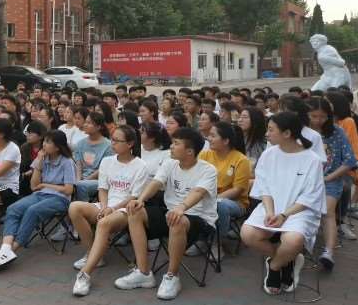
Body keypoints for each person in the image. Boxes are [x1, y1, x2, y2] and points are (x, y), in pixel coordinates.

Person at [116, 127, 217, 301]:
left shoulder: (208, 170)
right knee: (134, 212)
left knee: (177, 219)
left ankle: (172, 276)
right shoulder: (170, 163)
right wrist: (140, 199)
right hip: (171, 213)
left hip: (198, 218)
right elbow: (156, 182)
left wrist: (182, 207)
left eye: (176, 144)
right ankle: (143, 272)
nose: (170, 146)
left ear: (190, 151)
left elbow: (198, 192)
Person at [241, 112, 326, 295]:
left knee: (293, 239)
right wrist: (271, 212)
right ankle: (288, 260)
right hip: (271, 206)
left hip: (299, 211)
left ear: (287, 133)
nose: (266, 134)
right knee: (248, 234)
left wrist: (284, 215)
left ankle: (275, 266)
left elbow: (310, 197)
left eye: (271, 130)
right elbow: (264, 187)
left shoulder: (312, 160)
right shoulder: (269, 154)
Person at [69, 125, 149, 296]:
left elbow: (134, 197)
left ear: (130, 144)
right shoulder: (107, 161)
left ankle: (85, 273)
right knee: (74, 207)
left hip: (126, 209)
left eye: (117, 141)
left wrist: (112, 209)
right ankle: (94, 255)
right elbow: (103, 189)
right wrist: (105, 207)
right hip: (107, 205)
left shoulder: (141, 165)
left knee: (104, 222)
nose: (112, 143)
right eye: (112, 139)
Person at [0, 130, 76, 271]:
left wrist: (46, 185)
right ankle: (5, 249)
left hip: (60, 199)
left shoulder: (67, 162)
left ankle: (12, 250)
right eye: (44, 141)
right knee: (13, 209)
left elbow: (69, 190)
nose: (44, 144)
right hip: (40, 194)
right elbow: (34, 186)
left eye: (48, 142)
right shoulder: (42, 158)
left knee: (32, 211)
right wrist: (39, 163)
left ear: (58, 147)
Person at [307, 97, 357, 270]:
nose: (319, 120)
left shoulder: (336, 131)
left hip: (331, 180)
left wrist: (329, 178)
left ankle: (328, 252)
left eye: (323, 116)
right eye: (314, 116)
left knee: (328, 212)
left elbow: (350, 160)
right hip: (305, 181)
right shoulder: (302, 132)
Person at [197, 122, 251, 254]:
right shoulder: (204, 155)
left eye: (213, 136)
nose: (209, 138)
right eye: (209, 135)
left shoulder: (241, 160)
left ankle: (217, 243)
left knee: (220, 205)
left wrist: (214, 198)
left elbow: (237, 190)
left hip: (235, 202)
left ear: (226, 141)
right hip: (206, 196)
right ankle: (200, 239)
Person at [73, 112, 113, 202]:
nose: (85, 125)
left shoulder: (108, 145)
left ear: (99, 127)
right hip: (82, 177)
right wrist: (78, 179)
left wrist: (85, 180)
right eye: (85, 122)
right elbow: (78, 164)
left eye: (89, 123)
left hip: (98, 179)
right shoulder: (81, 143)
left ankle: (83, 208)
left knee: (81, 186)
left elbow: (103, 169)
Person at [19, 121, 48, 196]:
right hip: (25, 180)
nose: (27, 135)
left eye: (31, 133)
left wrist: (30, 172)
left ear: (41, 136)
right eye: (27, 132)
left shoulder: (47, 148)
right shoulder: (24, 147)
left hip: (42, 179)